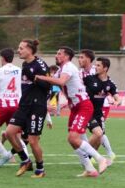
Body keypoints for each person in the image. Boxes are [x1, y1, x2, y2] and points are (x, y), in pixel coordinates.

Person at [35, 47, 107, 177]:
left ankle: (101, 159)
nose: (56, 55)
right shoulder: (61, 70)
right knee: (73, 140)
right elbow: (51, 83)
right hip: (75, 108)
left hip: (83, 106)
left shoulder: (68, 67)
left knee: (73, 138)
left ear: (67, 57)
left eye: (59, 54)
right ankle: (89, 169)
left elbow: (61, 82)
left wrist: (41, 77)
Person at [3, 39, 51, 178]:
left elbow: (48, 85)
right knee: (9, 132)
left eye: (21, 48)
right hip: (24, 105)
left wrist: (34, 78)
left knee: (33, 140)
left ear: (29, 50)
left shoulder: (40, 65)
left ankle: (40, 169)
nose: (18, 50)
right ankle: (25, 161)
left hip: (36, 107)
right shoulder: (25, 64)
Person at [83, 56, 120, 171]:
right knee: (98, 133)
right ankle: (84, 155)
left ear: (105, 68)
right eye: (95, 65)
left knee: (99, 137)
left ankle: (89, 157)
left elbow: (116, 96)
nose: (95, 67)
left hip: (99, 113)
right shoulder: (89, 79)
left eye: (98, 65)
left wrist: (117, 101)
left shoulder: (110, 83)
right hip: (87, 111)